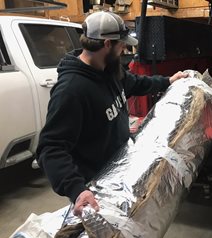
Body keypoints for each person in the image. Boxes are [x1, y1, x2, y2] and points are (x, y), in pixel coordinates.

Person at [36, 11, 188, 216]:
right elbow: (51, 147)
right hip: (96, 184)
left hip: (121, 167)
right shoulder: (71, 91)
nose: (124, 48)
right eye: (121, 44)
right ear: (107, 44)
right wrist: (77, 190)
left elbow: (134, 83)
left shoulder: (108, 69)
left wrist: (167, 81)